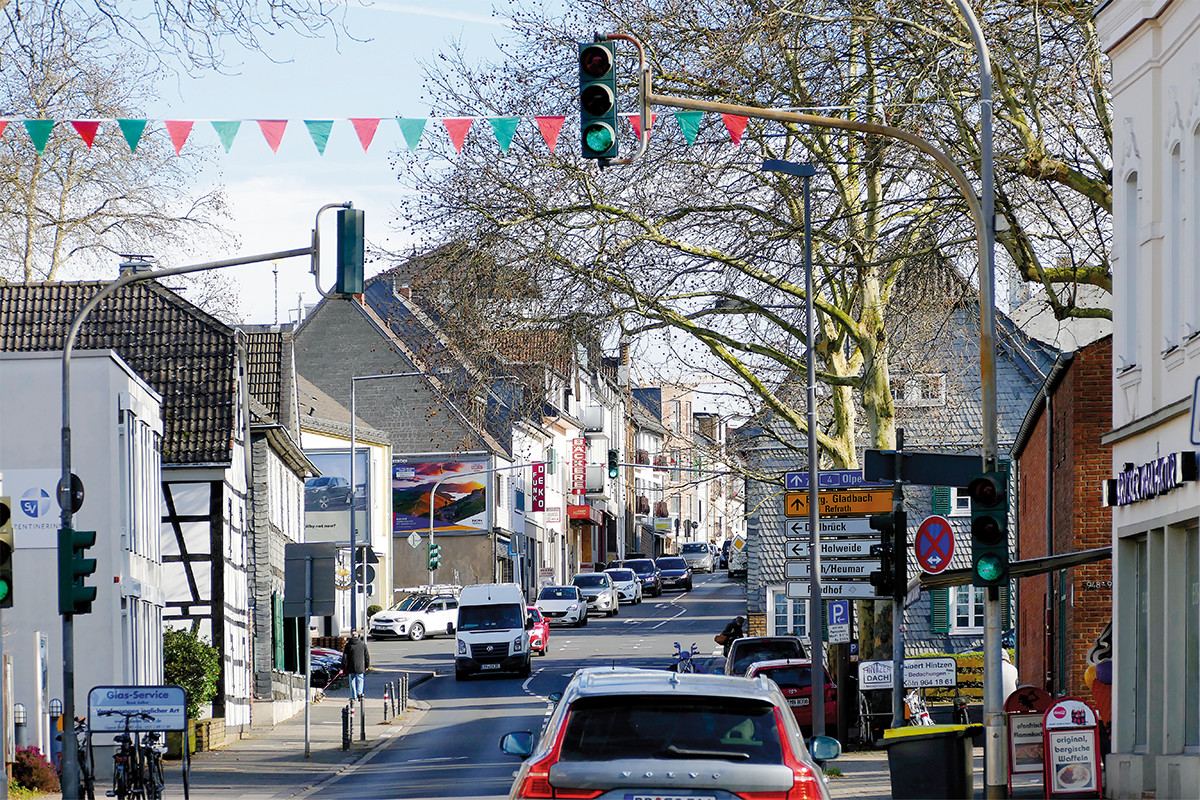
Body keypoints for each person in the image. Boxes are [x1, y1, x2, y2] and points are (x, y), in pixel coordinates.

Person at [342, 630, 371, 700]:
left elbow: (344, 657)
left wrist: (342, 667)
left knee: (352, 681)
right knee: (360, 680)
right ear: (358, 636)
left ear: (351, 636)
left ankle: (353, 696)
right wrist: (367, 665)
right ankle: (360, 693)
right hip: (360, 666)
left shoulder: (348, 645)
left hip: (351, 666)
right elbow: (367, 656)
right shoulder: (362, 644)